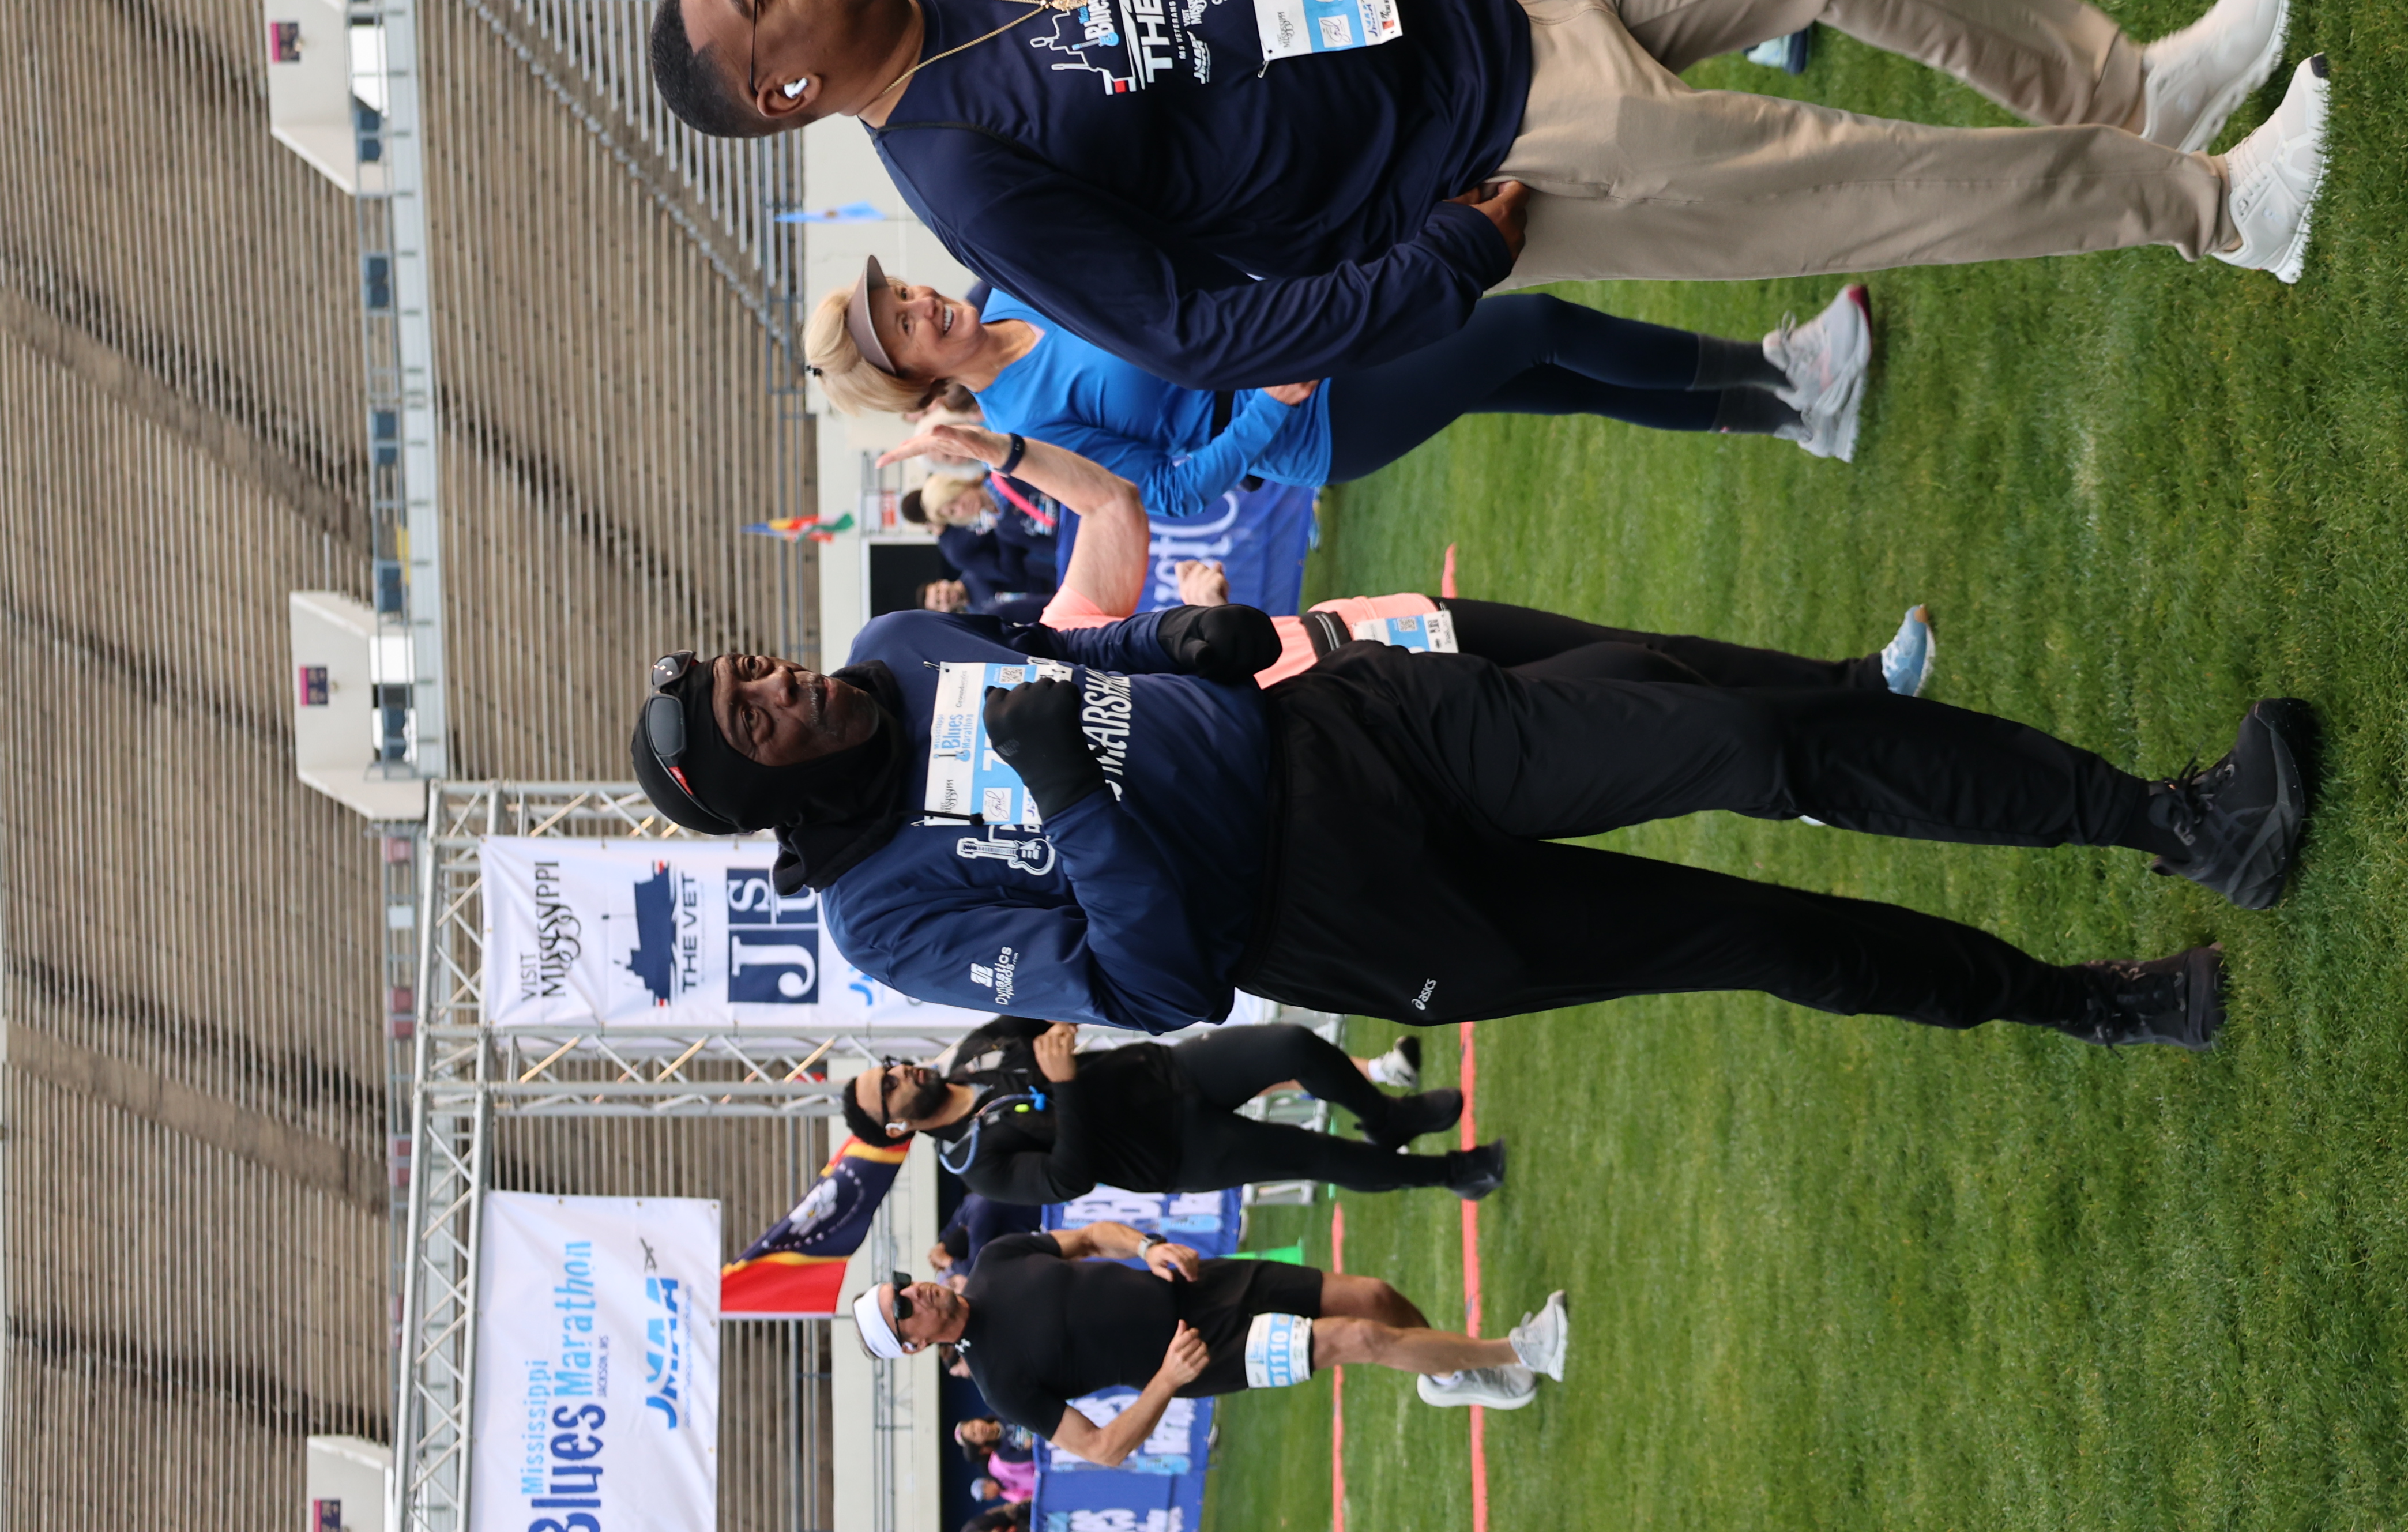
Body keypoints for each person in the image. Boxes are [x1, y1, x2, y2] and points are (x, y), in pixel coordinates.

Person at [624, 416, 2316, 1052]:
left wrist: (1180, 642)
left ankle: (2176, 817)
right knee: (1750, 930)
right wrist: (1072, 800)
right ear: (752, 782)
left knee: (1746, 744)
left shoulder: (899, 635)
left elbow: (1082, 656)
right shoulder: (883, 915)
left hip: (1368, 737)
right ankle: (2083, 1004)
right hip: (1358, 917)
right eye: (746, 711)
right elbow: (1154, 985)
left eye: (745, 662)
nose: (774, 678)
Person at [648, 0, 2326, 390]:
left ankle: (2129, 88)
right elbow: (1198, 335)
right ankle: (2219, 210)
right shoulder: (960, 176)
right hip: (1496, 145)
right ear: (784, 92)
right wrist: (1457, 254)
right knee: (1863, 179)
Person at [881, 410, 1937, 693]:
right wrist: (1204, 627)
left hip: (1384, 628)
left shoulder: (1064, 636)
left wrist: (1002, 445)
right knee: (1642, 690)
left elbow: (1112, 508)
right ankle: (1809, 737)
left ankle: (1845, 687)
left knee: (1639, 647)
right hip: (1385, 711)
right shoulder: (1053, 741)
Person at [814, 255, 1873, 496]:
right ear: (910, 378)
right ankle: (1788, 366)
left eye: (899, 291)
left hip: (1304, 330)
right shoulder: (1020, 431)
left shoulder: (1012, 284)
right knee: (1530, 325)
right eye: (898, 326)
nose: (915, 303)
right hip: (1308, 420)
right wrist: (1265, 411)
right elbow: (1171, 494)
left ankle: (1789, 412)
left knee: (1551, 374)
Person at [859, 1222, 1574, 1447]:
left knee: (1376, 1298)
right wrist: (1168, 1381)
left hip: (1202, 1285)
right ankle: (1522, 1350)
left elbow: (1088, 1237)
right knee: (1357, 1337)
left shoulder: (994, 1260)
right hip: (1199, 1359)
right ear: (917, 1344)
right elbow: (1101, 1450)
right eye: (903, 1310)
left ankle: (1452, 1376)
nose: (912, 1292)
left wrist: (1145, 1247)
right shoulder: (1000, 1384)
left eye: (900, 1286)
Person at [849, 1011, 1503, 1202]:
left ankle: (1387, 1120)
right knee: (1321, 1155)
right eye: (888, 1089)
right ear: (897, 1125)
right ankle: (1454, 1175)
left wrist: (1065, 1024)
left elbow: (1054, 998)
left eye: (886, 1069)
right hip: (1177, 1152)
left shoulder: (975, 1049)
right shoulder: (976, 1163)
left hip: (1169, 1071)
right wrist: (1066, 1081)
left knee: (1294, 1045)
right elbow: (1067, 1180)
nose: (898, 1072)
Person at [904, 464, 1064, 616]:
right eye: (953, 512)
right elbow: (1055, 549)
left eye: (954, 500)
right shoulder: (1000, 531)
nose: (961, 508)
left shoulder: (1002, 474)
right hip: (1048, 567)